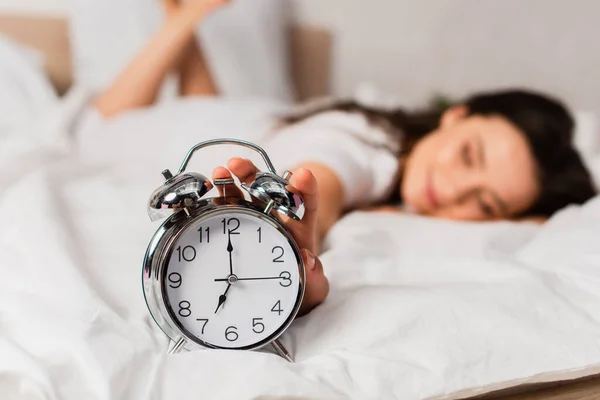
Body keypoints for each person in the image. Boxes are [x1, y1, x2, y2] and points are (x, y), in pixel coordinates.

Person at [92, 0, 597, 314]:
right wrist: (296, 220)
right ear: (455, 115)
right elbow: (325, 173)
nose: (452, 188)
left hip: (232, 118)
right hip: (147, 132)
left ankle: (186, 14)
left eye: (485, 204)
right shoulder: (364, 143)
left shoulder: (393, 153)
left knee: (208, 107)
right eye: (468, 156)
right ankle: (189, 15)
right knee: (100, 126)